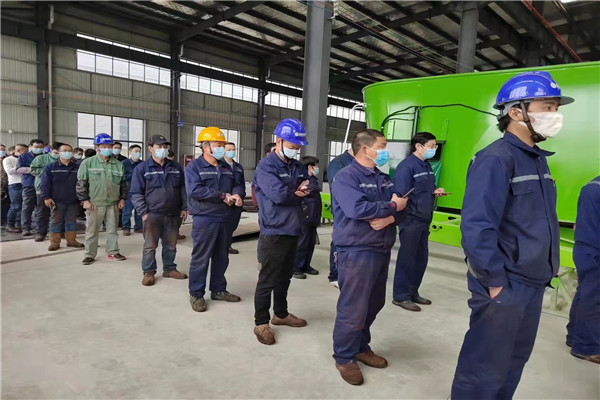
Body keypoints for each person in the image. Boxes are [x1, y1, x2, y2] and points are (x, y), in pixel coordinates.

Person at [451, 71, 573, 399]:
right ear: (516, 112)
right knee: (485, 365)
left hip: (532, 281)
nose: (555, 115)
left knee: (514, 360)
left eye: (555, 108)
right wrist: (494, 282)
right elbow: (477, 227)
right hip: (506, 282)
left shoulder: (536, 160)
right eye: (547, 107)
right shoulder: (495, 159)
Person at [330, 129, 407, 385]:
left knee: (374, 303)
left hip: (380, 248)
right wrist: (393, 206)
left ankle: (361, 347)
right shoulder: (346, 177)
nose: (386, 151)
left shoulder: (383, 178)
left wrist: (390, 217)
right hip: (357, 250)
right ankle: (344, 356)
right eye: (382, 146)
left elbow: (405, 206)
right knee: (353, 308)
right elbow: (357, 208)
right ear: (365, 149)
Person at [252, 118, 315, 345]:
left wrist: (299, 190)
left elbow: (311, 184)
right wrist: (296, 192)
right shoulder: (266, 166)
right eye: (292, 145)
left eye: (298, 147)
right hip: (275, 229)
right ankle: (261, 323)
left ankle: (280, 314)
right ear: (278, 141)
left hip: (293, 227)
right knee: (268, 278)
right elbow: (278, 195)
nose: (295, 150)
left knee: (285, 276)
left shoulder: (296, 166)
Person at [185, 127, 244, 312]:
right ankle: (196, 294)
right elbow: (194, 190)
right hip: (205, 218)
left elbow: (238, 184)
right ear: (205, 146)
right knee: (201, 257)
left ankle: (218, 290)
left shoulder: (226, 167)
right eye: (218, 145)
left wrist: (237, 194)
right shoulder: (194, 167)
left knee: (221, 256)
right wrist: (222, 196)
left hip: (225, 217)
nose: (221, 149)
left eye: (222, 145)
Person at [392, 132, 448, 311]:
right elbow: (401, 195)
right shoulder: (406, 167)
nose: (434, 149)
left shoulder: (427, 165)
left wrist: (435, 191)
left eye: (434, 146)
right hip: (411, 219)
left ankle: (412, 291)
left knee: (420, 259)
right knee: (407, 259)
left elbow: (423, 189)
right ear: (418, 146)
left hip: (424, 218)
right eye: (431, 146)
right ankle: (400, 296)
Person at [131, 135, 188, 286]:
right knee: (150, 246)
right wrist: (144, 212)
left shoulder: (176, 168)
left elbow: (183, 189)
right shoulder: (142, 168)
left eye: (165, 147)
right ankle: (149, 272)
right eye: (159, 146)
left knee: (171, 245)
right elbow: (135, 193)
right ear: (150, 148)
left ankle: (169, 269)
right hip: (152, 214)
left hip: (173, 214)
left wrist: (184, 207)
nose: (163, 149)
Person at [76, 133, 127, 265]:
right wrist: (85, 200)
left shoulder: (118, 164)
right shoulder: (88, 163)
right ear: (97, 147)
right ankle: (89, 254)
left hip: (113, 203)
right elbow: (81, 183)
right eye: (104, 146)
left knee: (113, 230)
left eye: (109, 146)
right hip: (94, 203)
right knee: (92, 230)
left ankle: (113, 251)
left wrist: (122, 199)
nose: (107, 149)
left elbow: (123, 183)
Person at [566, 176, 600, 364]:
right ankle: (586, 347)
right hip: (594, 249)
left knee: (585, 293)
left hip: (584, 247)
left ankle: (574, 336)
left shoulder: (591, 185)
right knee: (593, 297)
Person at [40, 143, 84, 251]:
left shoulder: (77, 168)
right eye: (64, 150)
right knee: (55, 221)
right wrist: (46, 197)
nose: (67, 153)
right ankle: (55, 242)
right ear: (59, 152)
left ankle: (71, 240)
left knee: (71, 221)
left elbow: (82, 183)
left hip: (73, 200)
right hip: (56, 200)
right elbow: (45, 183)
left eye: (69, 151)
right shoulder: (50, 167)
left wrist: (82, 198)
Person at [326, 148, 354, 288]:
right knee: (339, 241)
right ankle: (335, 274)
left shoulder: (361, 162)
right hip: (343, 211)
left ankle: (348, 273)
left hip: (357, 211)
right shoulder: (338, 163)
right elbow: (338, 188)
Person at [293, 156, 322, 279]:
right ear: (310, 167)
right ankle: (296, 267)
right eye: (316, 165)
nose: (317, 168)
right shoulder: (302, 179)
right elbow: (306, 189)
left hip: (313, 216)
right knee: (302, 243)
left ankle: (306, 265)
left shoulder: (312, 179)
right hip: (304, 215)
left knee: (310, 242)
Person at [30, 142, 63, 242]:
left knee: (59, 213)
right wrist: (48, 172)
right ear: (51, 150)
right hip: (43, 189)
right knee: (42, 212)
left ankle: (58, 232)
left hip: (59, 190)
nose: (57, 154)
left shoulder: (64, 160)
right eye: (56, 152)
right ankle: (40, 233)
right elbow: (33, 170)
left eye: (60, 152)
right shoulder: (41, 158)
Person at [16, 139, 45, 236]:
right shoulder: (24, 156)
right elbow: (19, 169)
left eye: (41, 147)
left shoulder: (45, 157)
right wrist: (33, 170)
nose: (38, 149)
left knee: (41, 208)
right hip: (29, 185)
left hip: (42, 186)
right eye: (36, 147)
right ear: (31, 147)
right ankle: (25, 228)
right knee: (27, 207)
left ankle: (39, 228)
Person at [223, 142, 246, 255]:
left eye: (233, 149)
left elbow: (241, 184)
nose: (231, 152)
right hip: (224, 201)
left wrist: (238, 195)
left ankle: (227, 245)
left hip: (236, 201)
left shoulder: (238, 167)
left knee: (232, 225)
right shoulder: (220, 166)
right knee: (223, 226)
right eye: (229, 150)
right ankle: (221, 247)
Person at [3, 144, 28, 232]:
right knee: (15, 206)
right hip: (14, 184)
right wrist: (22, 168)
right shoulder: (8, 159)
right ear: (18, 151)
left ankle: (19, 224)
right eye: (25, 151)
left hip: (25, 184)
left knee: (23, 206)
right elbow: (9, 171)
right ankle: (10, 225)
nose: (27, 153)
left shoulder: (25, 158)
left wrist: (23, 169)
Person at [122, 144, 143, 236]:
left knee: (139, 210)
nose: (138, 153)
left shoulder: (143, 164)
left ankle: (139, 227)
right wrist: (134, 175)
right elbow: (122, 176)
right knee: (127, 211)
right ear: (130, 152)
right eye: (136, 151)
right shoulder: (124, 163)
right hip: (128, 191)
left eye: (139, 151)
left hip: (140, 191)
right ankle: (126, 228)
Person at [167, 149, 187, 241]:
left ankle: (175, 233)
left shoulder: (177, 167)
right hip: (163, 200)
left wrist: (184, 206)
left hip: (176, 199)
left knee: (178, 219)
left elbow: (183, 185)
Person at [0, 144, 8, 227]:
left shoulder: (6, 160)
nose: (1, 151)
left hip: (5, 185)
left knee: (5, 204)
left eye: (3, 150)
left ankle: (3, 220)